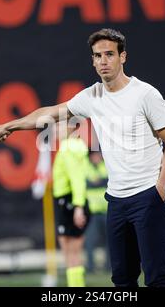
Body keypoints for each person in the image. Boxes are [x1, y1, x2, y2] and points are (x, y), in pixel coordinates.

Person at [0, 28, 165, 287]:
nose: (103, 61)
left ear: (123, 57)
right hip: (117, 200)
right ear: (92, 60)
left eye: (109, 54)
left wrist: (160, 185)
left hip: (149, 195)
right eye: (98, 55)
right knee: (122, 279)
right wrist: (11, 125)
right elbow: (51, 113)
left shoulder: (145, 94)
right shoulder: (92, 96)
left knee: (157, 277)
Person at [51, 123, 91, 287]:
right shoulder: (75, 146)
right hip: (71, 202)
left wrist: (78, 207)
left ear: (70, 128)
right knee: (72, 253)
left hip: (69, 202)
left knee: (71, 253)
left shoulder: (69, 148)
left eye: (58, 127)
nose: (54, 130)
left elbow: (77, 180)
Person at [84, 150, 110, 273]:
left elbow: (109, 181)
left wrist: (95, 182)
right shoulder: (85, 167)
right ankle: (90, 266)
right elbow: (85, 183)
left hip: (106, 210)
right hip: (92, 211)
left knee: (110, 240)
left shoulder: (106, 165)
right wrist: (100, 182)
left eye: (98, 155)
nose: (96, 157)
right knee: (90, 240)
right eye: (94, 155)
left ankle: (109, 266)